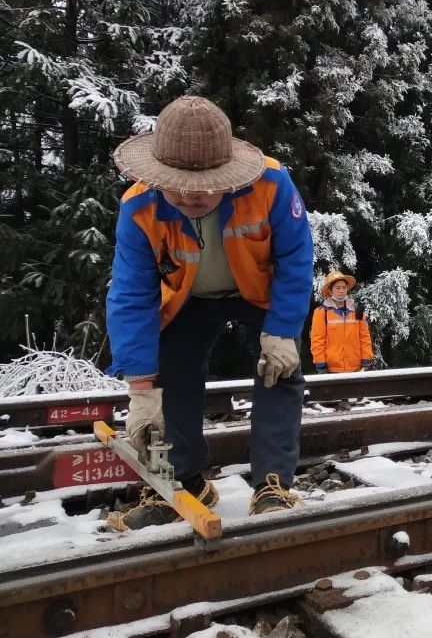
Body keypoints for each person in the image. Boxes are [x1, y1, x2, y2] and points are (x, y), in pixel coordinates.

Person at [105, 95, 314, 530]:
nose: (188, 195)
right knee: (170, 373)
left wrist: (281, 331)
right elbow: (132, 295)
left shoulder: (272, 185)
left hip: (259, 294)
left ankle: (272, 484)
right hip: (188, 299)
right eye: (174, 183)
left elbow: (296, 260)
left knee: (279, 371)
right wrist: (141, 388)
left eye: (202, 185)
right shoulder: (138, 209)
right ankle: (184, 480)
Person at [310, 270, 375, 373]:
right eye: (338, 288)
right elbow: (317, 341)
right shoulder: (321, 312)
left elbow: (364, 337)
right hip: (331, 370)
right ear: (330, 290)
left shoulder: (356, 309)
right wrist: (321, 365)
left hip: (356, 370)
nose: (341, 290)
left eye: (344, 288)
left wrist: (366, 361)